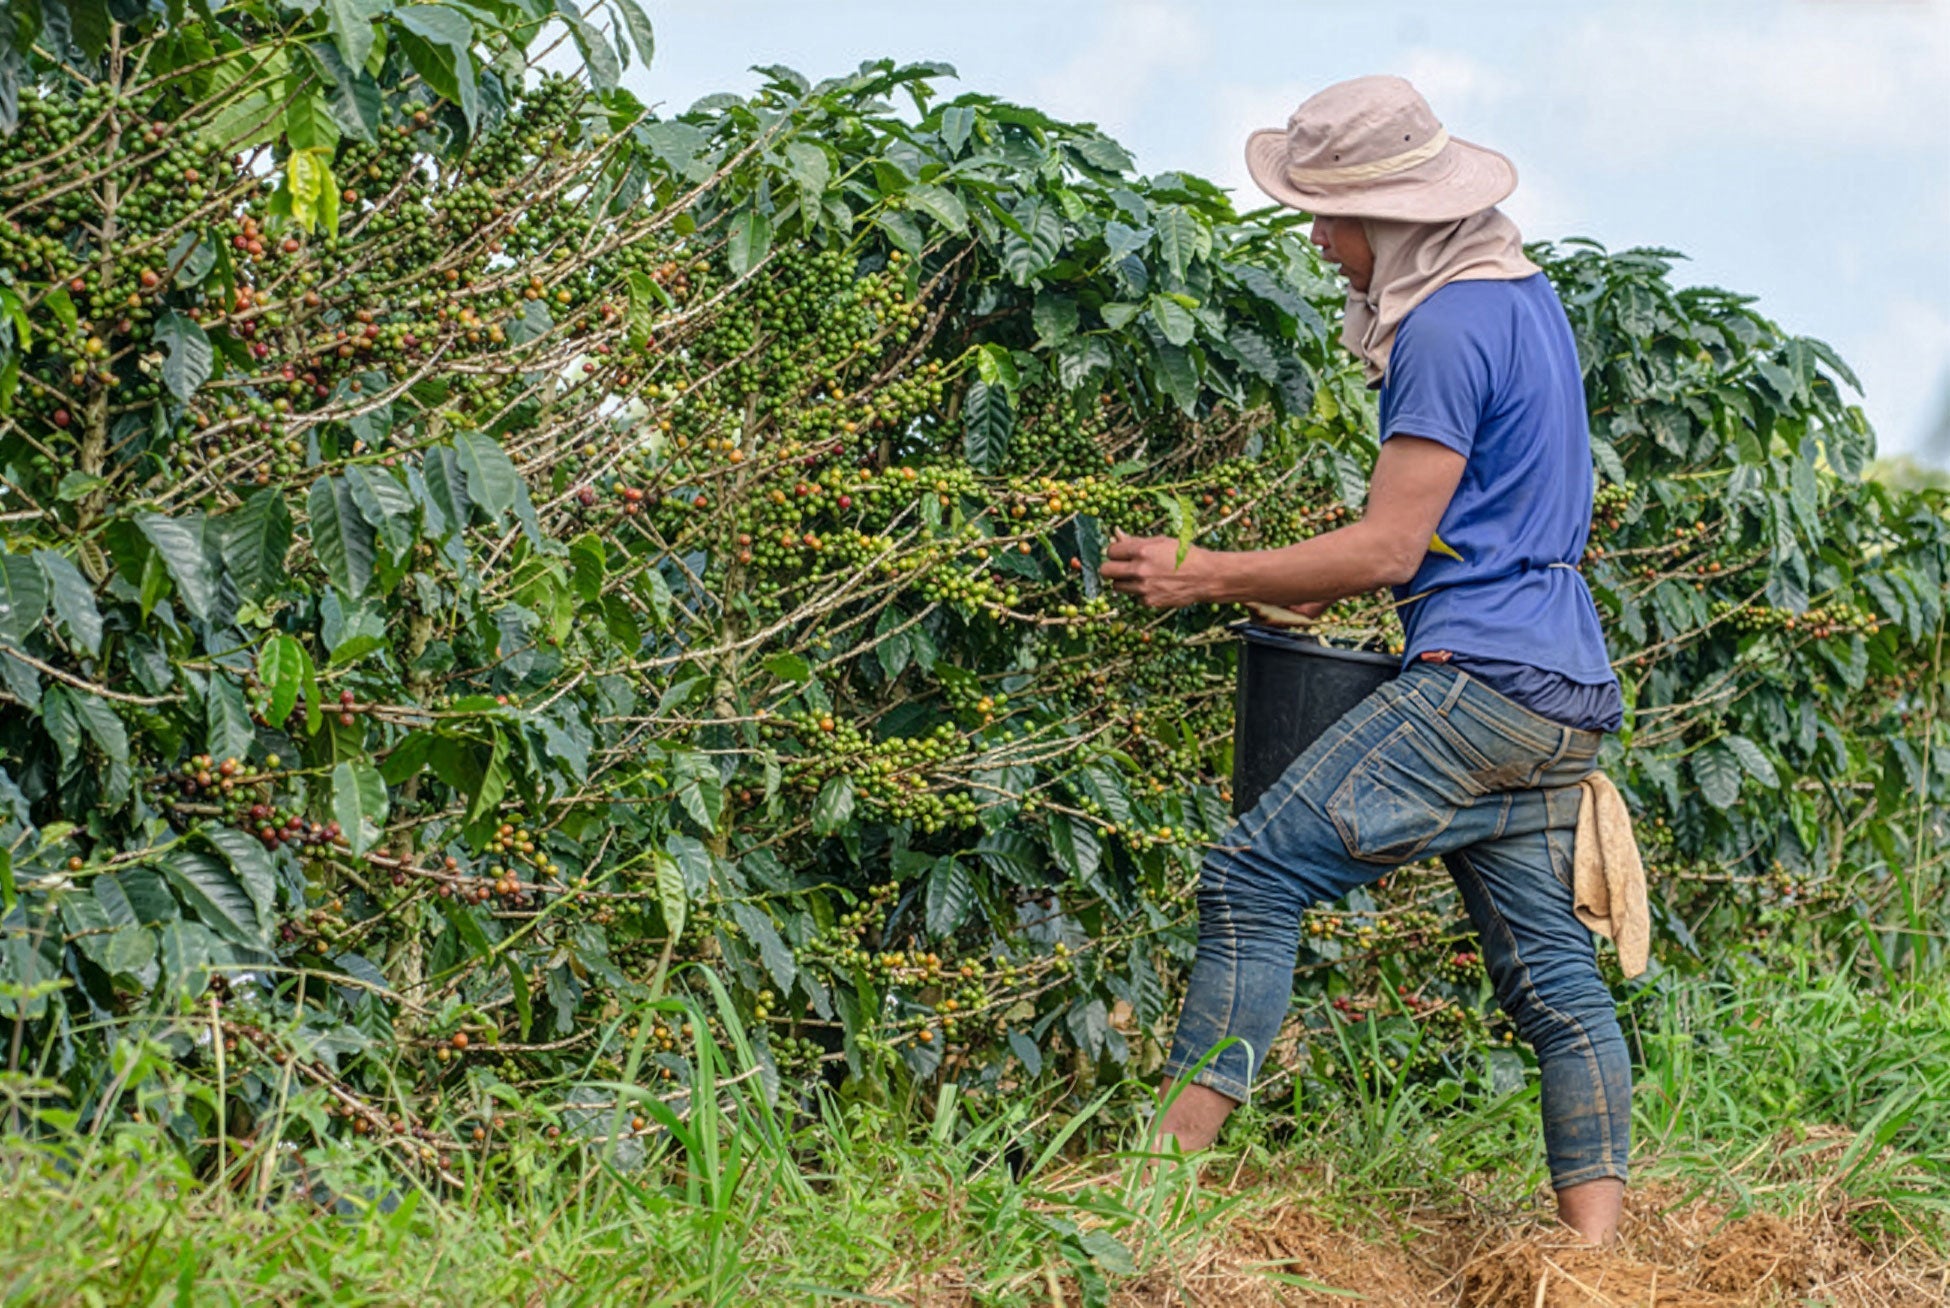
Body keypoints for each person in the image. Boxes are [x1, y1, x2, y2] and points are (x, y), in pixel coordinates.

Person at [1097, 75, 1631, 1243]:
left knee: (1253, 877)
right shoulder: (1524, 297)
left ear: (1391, 217)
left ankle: (1145, 1206)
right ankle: (1600, 1263)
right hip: (1565, 693)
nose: (1318, 241)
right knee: (1555, 982)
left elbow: (1390, 547)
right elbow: (1494, 517)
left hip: (1479, 687)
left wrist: (1208, 570)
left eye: (1326, 217)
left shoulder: (1441, 325)